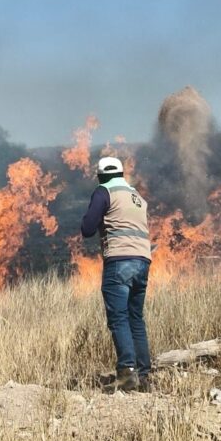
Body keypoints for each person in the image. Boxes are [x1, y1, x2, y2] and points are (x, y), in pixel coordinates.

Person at [81, 157, 152, 392]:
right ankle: (144, 375)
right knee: (136, 319)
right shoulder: (137, 196)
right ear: (121, 174)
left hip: (119, 261)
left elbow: (88, 228)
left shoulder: (104, 192)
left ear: (101, 176)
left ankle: (127, 372)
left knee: (118, 318)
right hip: (143, 262)